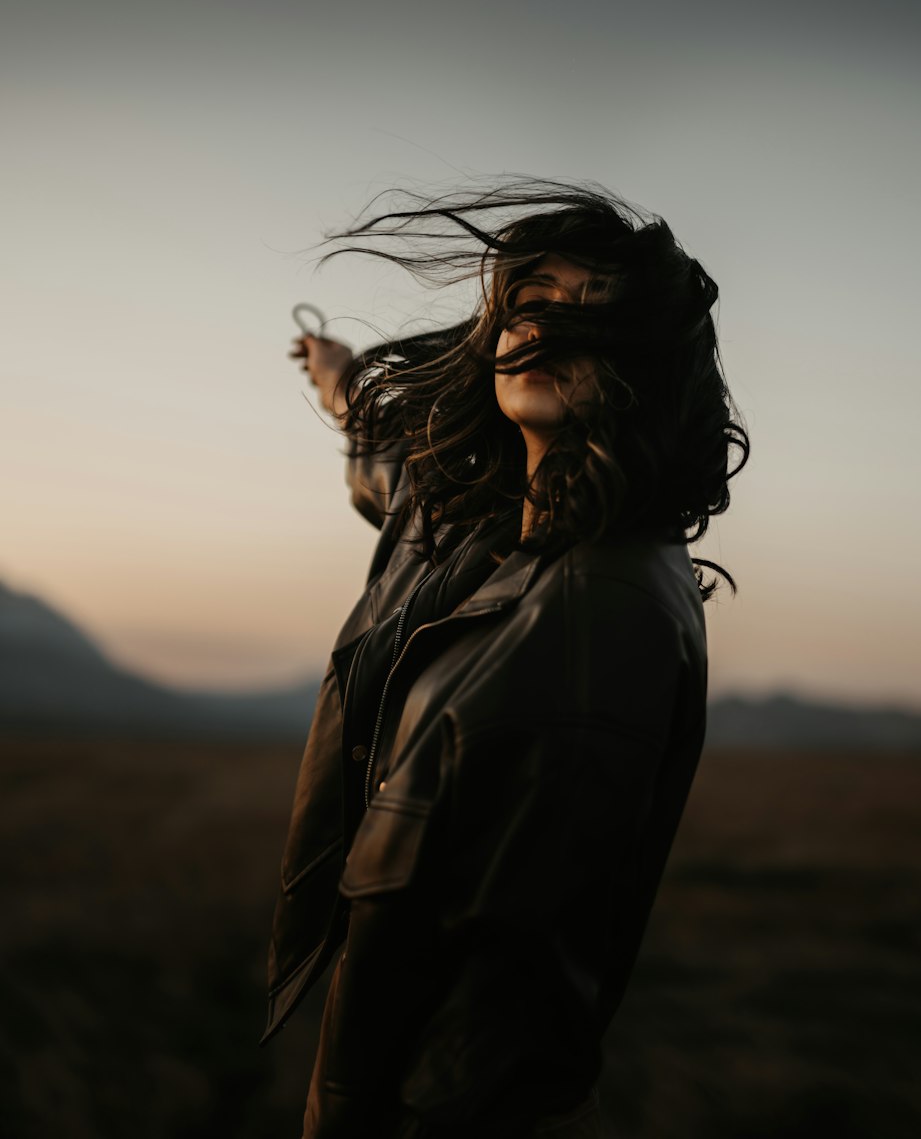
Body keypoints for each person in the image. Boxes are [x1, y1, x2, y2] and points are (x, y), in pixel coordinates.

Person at [260, 183, 748, 1139]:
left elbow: (495, 1026)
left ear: (653, 361)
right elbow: (395, 475)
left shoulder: (601, 623)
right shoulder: (481, 527)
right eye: (526, 304)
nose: (544, 328)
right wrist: (337, 375)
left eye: (590, 307)